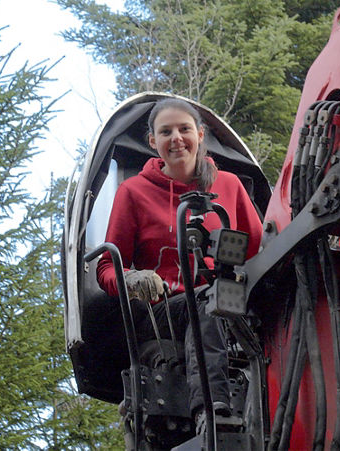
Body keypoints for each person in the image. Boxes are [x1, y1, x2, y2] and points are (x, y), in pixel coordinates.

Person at [95, 97, 263, 432]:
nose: (177, 138)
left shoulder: (228, 185)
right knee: (206, 301)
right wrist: (132, 279)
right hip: (162, 312)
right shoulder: (134, 192)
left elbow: (258, 248)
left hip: (225, 302)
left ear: (200, 135)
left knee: (219, 299)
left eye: (184, 129)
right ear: (153, 142)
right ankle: (210, 411)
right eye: (166, 131)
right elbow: (105, 268)